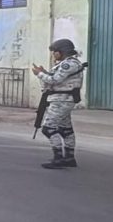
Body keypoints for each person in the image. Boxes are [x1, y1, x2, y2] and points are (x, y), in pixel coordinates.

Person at [31, 39, 85, 169]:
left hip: (62, 100)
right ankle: (69, 158)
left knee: (48, 128)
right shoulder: (67, 63)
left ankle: (58, 157)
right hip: (61, 99)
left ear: (61, 52)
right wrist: (44, 72)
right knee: (65, 129)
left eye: (55, 52)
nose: (53, 54)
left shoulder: (69, 64)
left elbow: (55, 80)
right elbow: (57, 78)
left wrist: (40, 74)